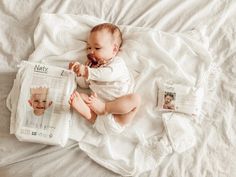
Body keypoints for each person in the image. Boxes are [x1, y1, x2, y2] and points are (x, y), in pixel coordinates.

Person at [69, 23, 141, 134]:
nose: (91, 52)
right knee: (81, 96)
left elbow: (107, 74)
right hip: (97, 108)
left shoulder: (117, 63)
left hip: (118, 114)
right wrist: (78, 73)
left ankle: (104, 109)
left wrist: (87, 72)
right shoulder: (91, 67)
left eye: (97, 48)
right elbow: (84, 85)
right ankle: (90, 116)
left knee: (135, 99)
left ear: (114, 49)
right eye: (89, 48)